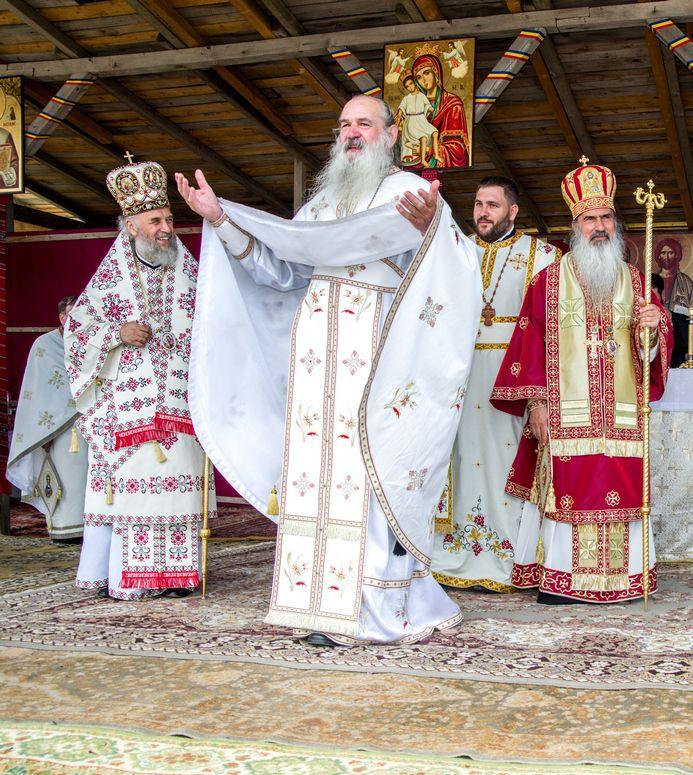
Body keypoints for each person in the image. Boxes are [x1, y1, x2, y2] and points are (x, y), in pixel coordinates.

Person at [177, 94, 478, 645]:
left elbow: (457, 271)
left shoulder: (410, 194)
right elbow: (279, 271)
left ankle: (373, 606)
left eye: (364, 123)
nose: (352, 133)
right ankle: (314, 603)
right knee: (314, 477)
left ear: (391, 135)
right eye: (344, 125)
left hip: (380, 359)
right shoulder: (318, 206)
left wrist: (434, 229)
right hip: (316, 362)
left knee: (369, 473)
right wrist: (220, 219)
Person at [491, 157, 672, 604]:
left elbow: (650, 352)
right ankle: (563, 581)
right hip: (566, 415)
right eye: (590, 219)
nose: (599, 227)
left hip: (621, 416)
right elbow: (530, 345)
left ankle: (624, 581)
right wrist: (537, 405)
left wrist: (654, 329)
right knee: (568, 489)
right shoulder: (548, 282)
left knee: (621, 487)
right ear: (575, 226)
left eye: (606, 217)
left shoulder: (635, 281)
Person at [66, 157, 211, 599]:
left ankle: (177, 577)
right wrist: (117, 333)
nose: (166, 229)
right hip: (126, 411)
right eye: (155, 221)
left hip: (179, 405)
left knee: (177, 491)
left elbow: (213, 320)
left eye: (169, 220)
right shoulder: (109, 279)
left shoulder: (188, 269)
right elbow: (77, 332)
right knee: (134, 494)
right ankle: (128, 579)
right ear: (130, 226)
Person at [431, 176, 558, 592]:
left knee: (507, 462)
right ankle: (457, 551)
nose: (483, 212)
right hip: (460, 377)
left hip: (513, 378)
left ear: (512, 211)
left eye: (492, 205)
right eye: (478, 204)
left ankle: (511, 555)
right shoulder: (457, 250)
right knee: (461, 458)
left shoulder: (542, 256)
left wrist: (539, 395)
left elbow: (548, 330)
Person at [7, 295, 87, 542]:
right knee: (69, 476)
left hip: (95, 421)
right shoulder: (45, 345)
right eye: (74, 314)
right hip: (61, 427)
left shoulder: (93, 342)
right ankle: (67, 529)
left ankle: (94, 529)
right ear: (62, 318)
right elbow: (39, 388)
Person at [413, 54, 468, 169]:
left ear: (436, 72)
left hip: (437, 159)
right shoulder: (414, 106)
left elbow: (458, 149)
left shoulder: (452, 104)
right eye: (418, 77)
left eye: (427, 73)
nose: (423, 80)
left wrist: (428, 150)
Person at [654, 237, 693, 366]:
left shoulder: (677, 318)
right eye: (663, 253)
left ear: (661, 295)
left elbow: (692, 342)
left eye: (670, 252)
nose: (666, 256)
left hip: (674, 368)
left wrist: (672, 320)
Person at [398, 75, 439, 167]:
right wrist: (400, 113)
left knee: (435, 133)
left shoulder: (422, 96)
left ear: (415, 83)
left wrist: (432, 109)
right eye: (407, 86)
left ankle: (436, 155)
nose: (409, 87)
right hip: (411, 122)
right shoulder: (406, 98)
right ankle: (423, 160)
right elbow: (402, 107)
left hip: (421, 120)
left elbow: (427, 105)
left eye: (411, 84)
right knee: (423, 137)